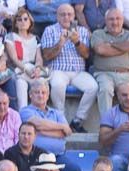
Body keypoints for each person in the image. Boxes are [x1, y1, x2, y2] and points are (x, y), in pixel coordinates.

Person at [40, 3, 95, 133]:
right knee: (58, 84)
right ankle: (61, 119)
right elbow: (47, 56)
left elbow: (86, 54)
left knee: (93, 87)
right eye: (62, 14)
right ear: (57, 16)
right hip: (58, 70)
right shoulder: (50, 30)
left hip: (78, 72)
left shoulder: (82, 31)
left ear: (74, 16)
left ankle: (77, 120)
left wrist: (77, 42)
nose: (66, 17)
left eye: (69, 14)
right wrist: (60, 43)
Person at [90, 6, 129, 116]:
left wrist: (110, 45)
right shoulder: (98, 34)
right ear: (105, 21)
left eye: (118, 19)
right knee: (105, 90)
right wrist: (123, 48)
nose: (115, 22)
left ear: (122, 20)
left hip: (126, 74)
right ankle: (106, 126)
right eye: (111, 19)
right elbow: (101, 50)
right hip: (104, 73)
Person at [4, 6, 44, 108]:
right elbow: (14, 59)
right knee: (21, 84)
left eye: (25, 19)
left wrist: (38, 68)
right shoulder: (10, 36)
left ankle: (39, 113)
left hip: (33, 69)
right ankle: (23, 117)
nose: (23, 22)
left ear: (30, 21)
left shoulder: (36, 38)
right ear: (16, 23)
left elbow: (39, 58)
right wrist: (26, 69)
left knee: (41, 84)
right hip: (19, 70)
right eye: (19, 20)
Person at [18, 79, 71, 156]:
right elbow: (37, 123)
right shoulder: (25, 111)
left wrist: (40, 131)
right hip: (35, 156)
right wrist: (61, 126)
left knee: (74, 168)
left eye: (43, 93)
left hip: (59, 155)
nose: (40, 95)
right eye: (37, 92)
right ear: (30, 94)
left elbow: (66, 132)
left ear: (47, 95)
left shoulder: (56, 113)